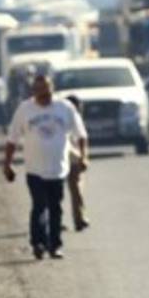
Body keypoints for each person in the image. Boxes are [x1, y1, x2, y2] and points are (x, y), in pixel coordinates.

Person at [3, 73, 88, 260]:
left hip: (58, 168)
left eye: (46, 90)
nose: (43, 95)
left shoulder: (64, 108)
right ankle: (38, 243)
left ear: (52, 89)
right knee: (39, 206)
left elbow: (81, 134)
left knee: (55, 208)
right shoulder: (25, 110)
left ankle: (55, 245)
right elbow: (12, 139)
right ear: (33, 92)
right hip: (34, 169)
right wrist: (7, 164)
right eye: (39, 91)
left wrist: (83, 156)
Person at [64, 94, 91, 231]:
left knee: (76, 190)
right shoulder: (62, 118)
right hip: (62, 158)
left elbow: (82, 139)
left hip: (73, 158)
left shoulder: (77, 119)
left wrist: (83, 157)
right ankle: (56, 221)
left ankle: (79, 218)